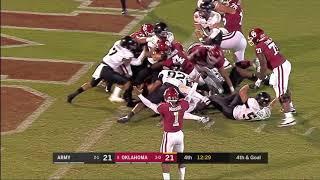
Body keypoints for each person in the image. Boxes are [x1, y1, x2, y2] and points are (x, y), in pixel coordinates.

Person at [66, 36, 139, 103]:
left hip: (101, 66)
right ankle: (115, 96)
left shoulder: (117, 43)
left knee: (91, 84)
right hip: (107, 69)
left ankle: (72, 95)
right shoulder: (128, 54)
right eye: (131, 45)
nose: (133, 46)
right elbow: (133, 63)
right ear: (126, 46)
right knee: (127, 82)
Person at [248, 27, 296, 127]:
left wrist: (259, 79)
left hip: (280, 67)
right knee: (276, 85)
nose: (251, 40)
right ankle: (290, 107)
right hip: (281, 65)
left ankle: (289, 118)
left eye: (251, 38)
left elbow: (263, 66)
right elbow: (276, 50)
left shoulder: (259, 47)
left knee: (281, 94)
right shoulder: (267, 39)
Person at [144, 87, 189, 180]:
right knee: (180, 158)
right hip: (180, 135)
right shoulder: (183, 104)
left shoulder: (163, 107)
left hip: (169, 136)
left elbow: (149, 104)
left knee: (165, 160)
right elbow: (189, 97)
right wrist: (195, 84)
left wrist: (140, 95)